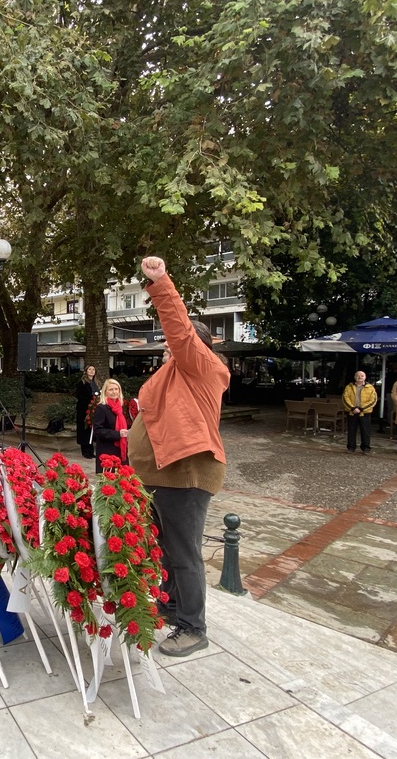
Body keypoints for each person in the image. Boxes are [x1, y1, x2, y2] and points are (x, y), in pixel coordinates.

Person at [127, 256, 229, 658]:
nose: (169, 346)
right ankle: (171, 606)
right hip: (160, 475)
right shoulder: (174, 372)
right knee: (166, 550)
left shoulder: (202, 366)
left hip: (186, 474)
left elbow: (180, 329)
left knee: (184, 554)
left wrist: (160, 283)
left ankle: (193, 626)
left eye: (177, 344)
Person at [92, 378, 129, 473]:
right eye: (111, 389)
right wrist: (118, 434)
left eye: (116, 389)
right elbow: (97, 431)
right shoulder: (101, 408)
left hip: (121, 448)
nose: (114, 392)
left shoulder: (120, 407)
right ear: (105, 392)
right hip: (107, 450)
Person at [342, 371, 377, 454]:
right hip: (352, 412)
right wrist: (352, 408)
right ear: (354, 377)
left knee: (365, 431)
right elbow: (345, 398)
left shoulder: (370, 387)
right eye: (357, 375)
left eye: (362, 376)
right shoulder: (349, 387)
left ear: (365, 377)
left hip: (365, 412)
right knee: (351, 431)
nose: (359, 377)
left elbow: (373, 400)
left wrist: (362, 408)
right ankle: (351, 447)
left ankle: (366, 448)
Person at [75, 365, 100, 459]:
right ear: (86, 371)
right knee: (84, 430)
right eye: (90, 369)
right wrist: (91, 401)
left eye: (93, 369)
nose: (92, 371)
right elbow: (80, 396)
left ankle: (90, 451)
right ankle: (85, 451)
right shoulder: (82, 383)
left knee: (90, 431)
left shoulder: (96, 383)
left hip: (93, 409)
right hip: (84, 410)